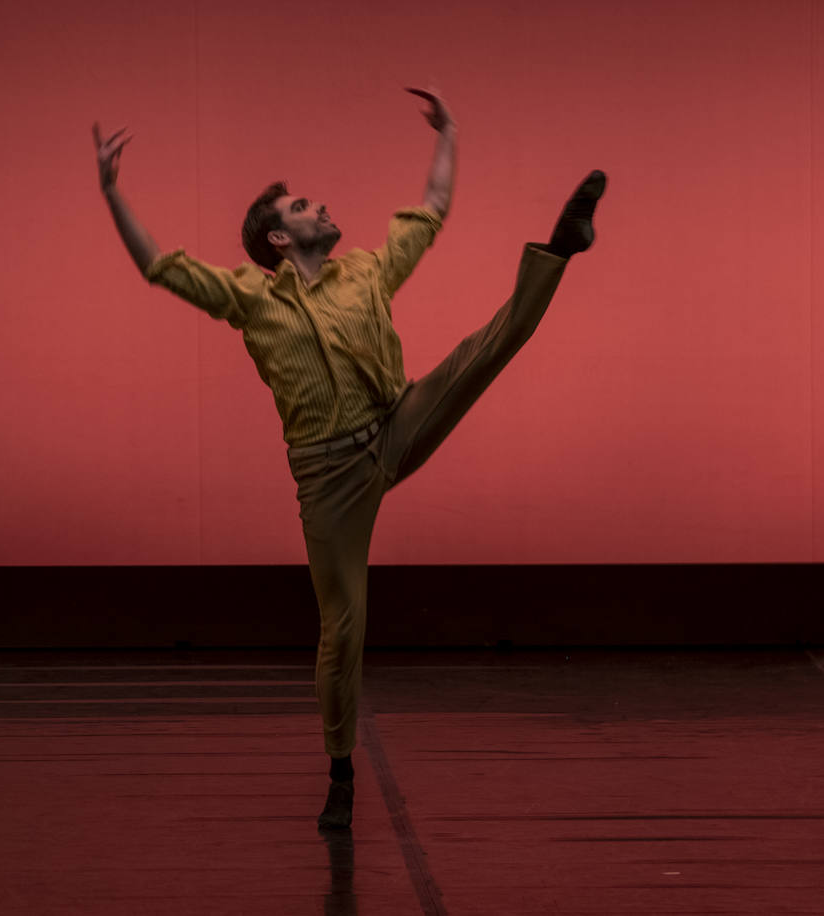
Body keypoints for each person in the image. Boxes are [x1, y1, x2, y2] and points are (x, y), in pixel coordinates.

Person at [93, 87, 606, 830]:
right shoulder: (249, 298)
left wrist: (449, 133)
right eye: (304, 205)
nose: (321, 205)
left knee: (478, 352)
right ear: (277, 238)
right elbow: (160, 266)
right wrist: (113, 192)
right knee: (344, 627)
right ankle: (340, 770)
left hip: (395, 426)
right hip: (329, 479)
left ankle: (558, 248)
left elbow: (429, 208)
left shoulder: (367, 271)